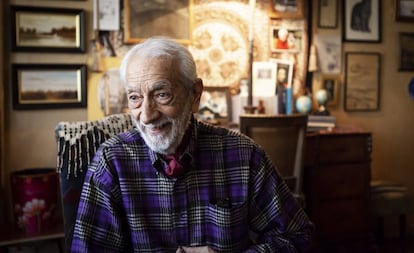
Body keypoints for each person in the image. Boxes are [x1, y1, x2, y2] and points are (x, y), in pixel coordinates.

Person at [71, 37, 314, 252]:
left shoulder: (243, 155)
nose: (146, 115)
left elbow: (297, 236)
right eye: (135, 98)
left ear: (195, 94)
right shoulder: (112, 162)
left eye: (161, 94)